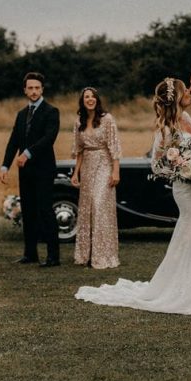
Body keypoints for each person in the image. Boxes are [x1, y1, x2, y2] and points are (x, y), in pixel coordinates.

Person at [75, 78, 191, 315]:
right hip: (185, 189)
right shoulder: (166, 129)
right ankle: (188, 288)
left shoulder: (189, 118)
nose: (190, 93)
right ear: (177, 97)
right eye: (185, 90)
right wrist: (183, 169)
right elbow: (156, 166)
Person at [0, 72, 61, 267]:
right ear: (25, 90)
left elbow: (48, 138)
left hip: (43, 169)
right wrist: (5, 165)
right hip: (24, 171)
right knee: (28, 211)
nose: (34, 91)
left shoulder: (52, 112)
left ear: (42, 89)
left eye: (37, 88)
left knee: (45, 210)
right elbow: (13, 141)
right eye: (30, 88)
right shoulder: (20, 114)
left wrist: (27, 153)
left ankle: (53, 257)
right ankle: (30, 253)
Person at [70, 87, 122, 269]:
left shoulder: (107, 120)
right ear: (82, 100)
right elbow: (79, 150)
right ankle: (86, 255)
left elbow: (115, 147)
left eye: (93, 96)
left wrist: (116, 171)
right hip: (87, 167)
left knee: (99, 206)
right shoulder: (79, 122)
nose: (90, 99)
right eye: (86, 97)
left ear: (97, 99)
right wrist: (75, 172)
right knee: (86, 209)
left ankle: (103, 255)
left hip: (105, 164)